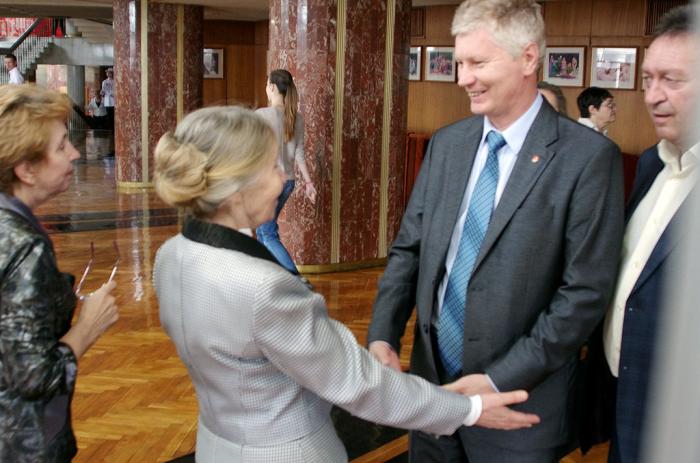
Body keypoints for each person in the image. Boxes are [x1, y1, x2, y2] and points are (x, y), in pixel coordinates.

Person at [152, 106, 540, 463]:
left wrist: (434, 397)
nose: (283, 178)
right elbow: (362, 386)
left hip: (216, 445)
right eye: (273, 167)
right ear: (237, 186)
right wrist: (467, 409)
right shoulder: (262, 289)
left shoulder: (170, 256)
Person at [367, 0, 624, 461]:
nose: (463, 77)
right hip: (433, 396)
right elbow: (410, 250)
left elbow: (583, 293)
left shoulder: (586, 158)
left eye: (478, 62)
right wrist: (383, 335)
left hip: (519, 409)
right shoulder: (447, 144)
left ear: (528, 58)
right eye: (460, 62)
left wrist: (496, 380)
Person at [597, 6, 698, 463]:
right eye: (648, 80)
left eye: (672, 80)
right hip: (627, 405)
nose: (653, 96)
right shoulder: (651, 165)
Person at [0, 85, 119, 461]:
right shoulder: (24, 246)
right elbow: (35, 377)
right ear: (26, 169)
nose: (75, 153)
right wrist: (88, 326)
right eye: (62, 145)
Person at [255, 69, 316, 279]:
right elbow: (299, 153)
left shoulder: (262, 116)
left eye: (266, 84)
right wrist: (309, 184)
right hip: (288, 183)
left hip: (269, 184)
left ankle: (296, 279)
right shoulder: (296, 117)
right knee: (264, 231)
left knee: (268, 233)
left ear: (272, 87)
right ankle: (271, 277)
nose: (266, 87)